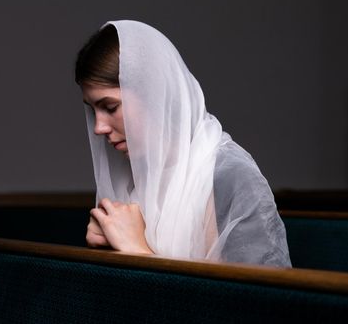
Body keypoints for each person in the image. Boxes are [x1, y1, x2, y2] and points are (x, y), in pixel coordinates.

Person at [75, 20, 291, 267]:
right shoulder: (132, 176)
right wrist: (104, 250)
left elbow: (254, 301)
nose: (98, 127)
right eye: (93, 111)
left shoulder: (227, 175)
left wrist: (137, 252)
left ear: (154, 93)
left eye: (110, 107)